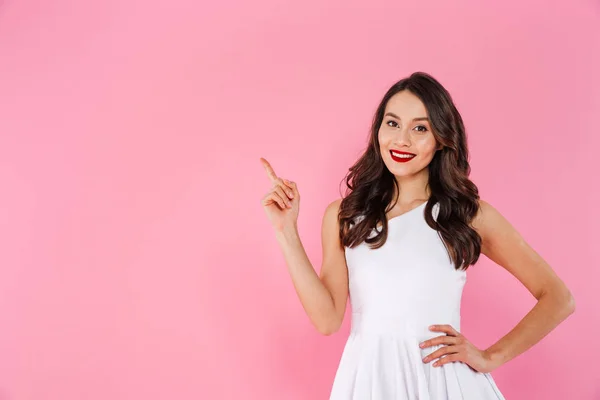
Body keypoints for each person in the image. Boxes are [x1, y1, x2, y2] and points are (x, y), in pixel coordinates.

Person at [259, 71, 575, 399]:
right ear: (378, 129)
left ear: (441, 139)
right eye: (392, 123)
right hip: (370, 381)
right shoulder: (345, 216)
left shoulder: (467, 214)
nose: (402, 140)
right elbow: (327, 320)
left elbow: (558, 297)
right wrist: (286, 232)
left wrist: (490, 357)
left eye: (420, 128)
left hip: (444, 384)